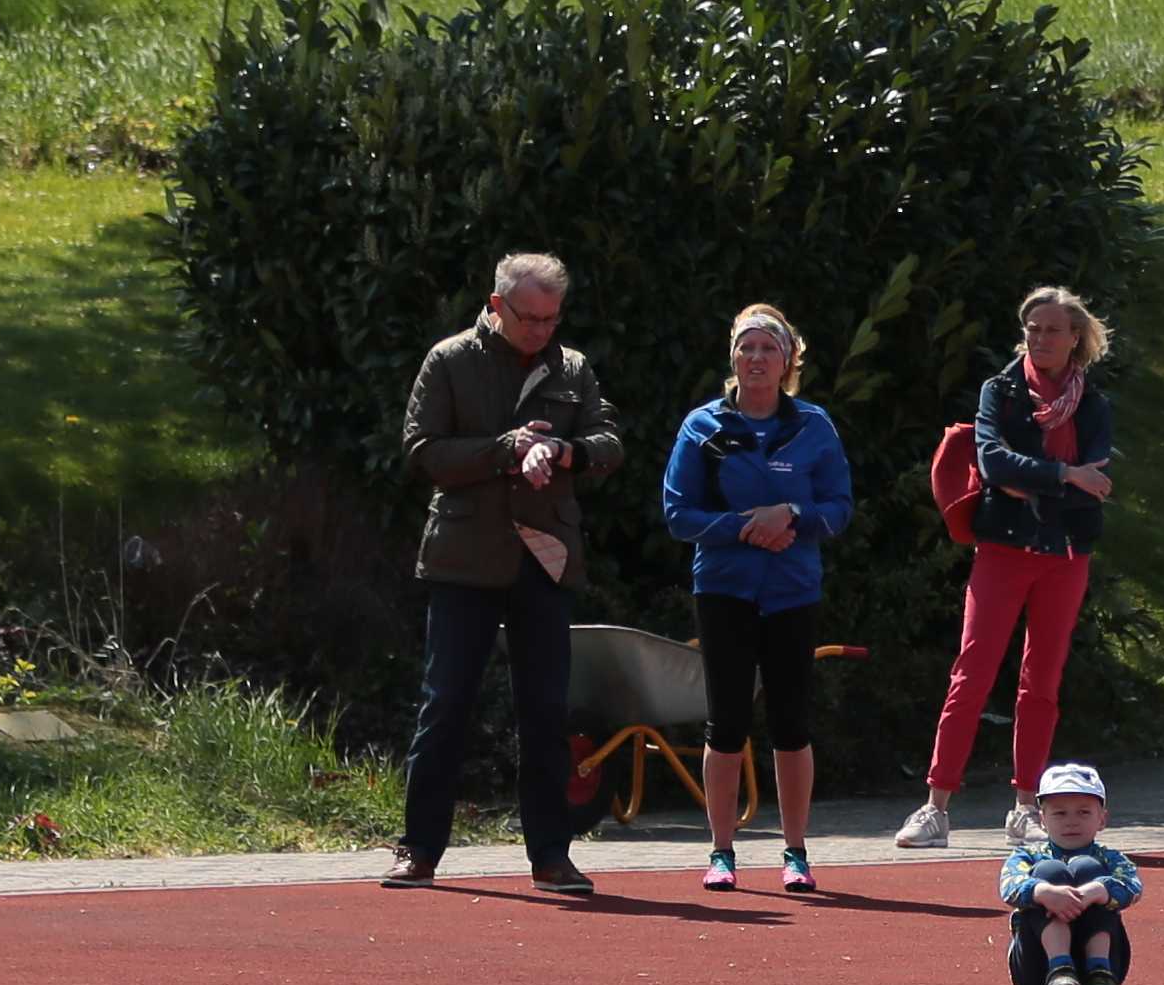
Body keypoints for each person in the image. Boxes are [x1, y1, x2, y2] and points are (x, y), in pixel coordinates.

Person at [392, 252, 622, 894]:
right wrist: (506, 449)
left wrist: (563, 450)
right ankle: (419, 850)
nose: (541, 331)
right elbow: (422, 452)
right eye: (529, 319)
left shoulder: (573, 368)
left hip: (545, 559)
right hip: (464, 559)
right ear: (496, 307)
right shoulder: (449, 360)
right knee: (446, 704)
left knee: (546, 711)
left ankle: (552, 856)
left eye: (551, 320)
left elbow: (609, 444)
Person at [899, 287, 1115, 852]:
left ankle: (1025, 807)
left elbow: (1097, 476)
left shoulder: (1092, 403)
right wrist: (1064, 475)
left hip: (1065, 554)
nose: (1040, 339)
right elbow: (993, 462)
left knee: (1041, 682)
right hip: (1003, 550)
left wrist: (1038, 480)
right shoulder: (1000, 390)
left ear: (1075, 338)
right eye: (1032, 329)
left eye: (1052, 330)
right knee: (971, 673)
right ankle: (935, 806)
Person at [664, 302, 855, 895]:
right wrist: (746, 527)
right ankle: (721, 852)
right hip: (724, 589)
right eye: (746, 347)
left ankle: (795, 852)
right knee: (725, 723)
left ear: (787, 359)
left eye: (768, 348)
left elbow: (839, 508)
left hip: (793, 592)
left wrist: (791, 514)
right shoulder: (702, 426)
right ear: (732, 357)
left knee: (791, 724)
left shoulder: (814, 426)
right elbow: (678, 513)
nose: (756, 358)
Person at [1002, 761, 1141, 985]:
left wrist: (1097, 890)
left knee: (1089, 870)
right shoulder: (1026, 856)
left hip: (1109, 967)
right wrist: (1043, 892)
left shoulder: (1111, 859)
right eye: (1060, 813)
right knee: (1049, 871)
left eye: (1083, 813)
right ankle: (1060, 970)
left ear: (1102, 819)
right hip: (1037, 970)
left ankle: (1099, 975)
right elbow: (1009, 886)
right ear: (1042, 820)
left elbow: (1133, 886)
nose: (1071, 822)